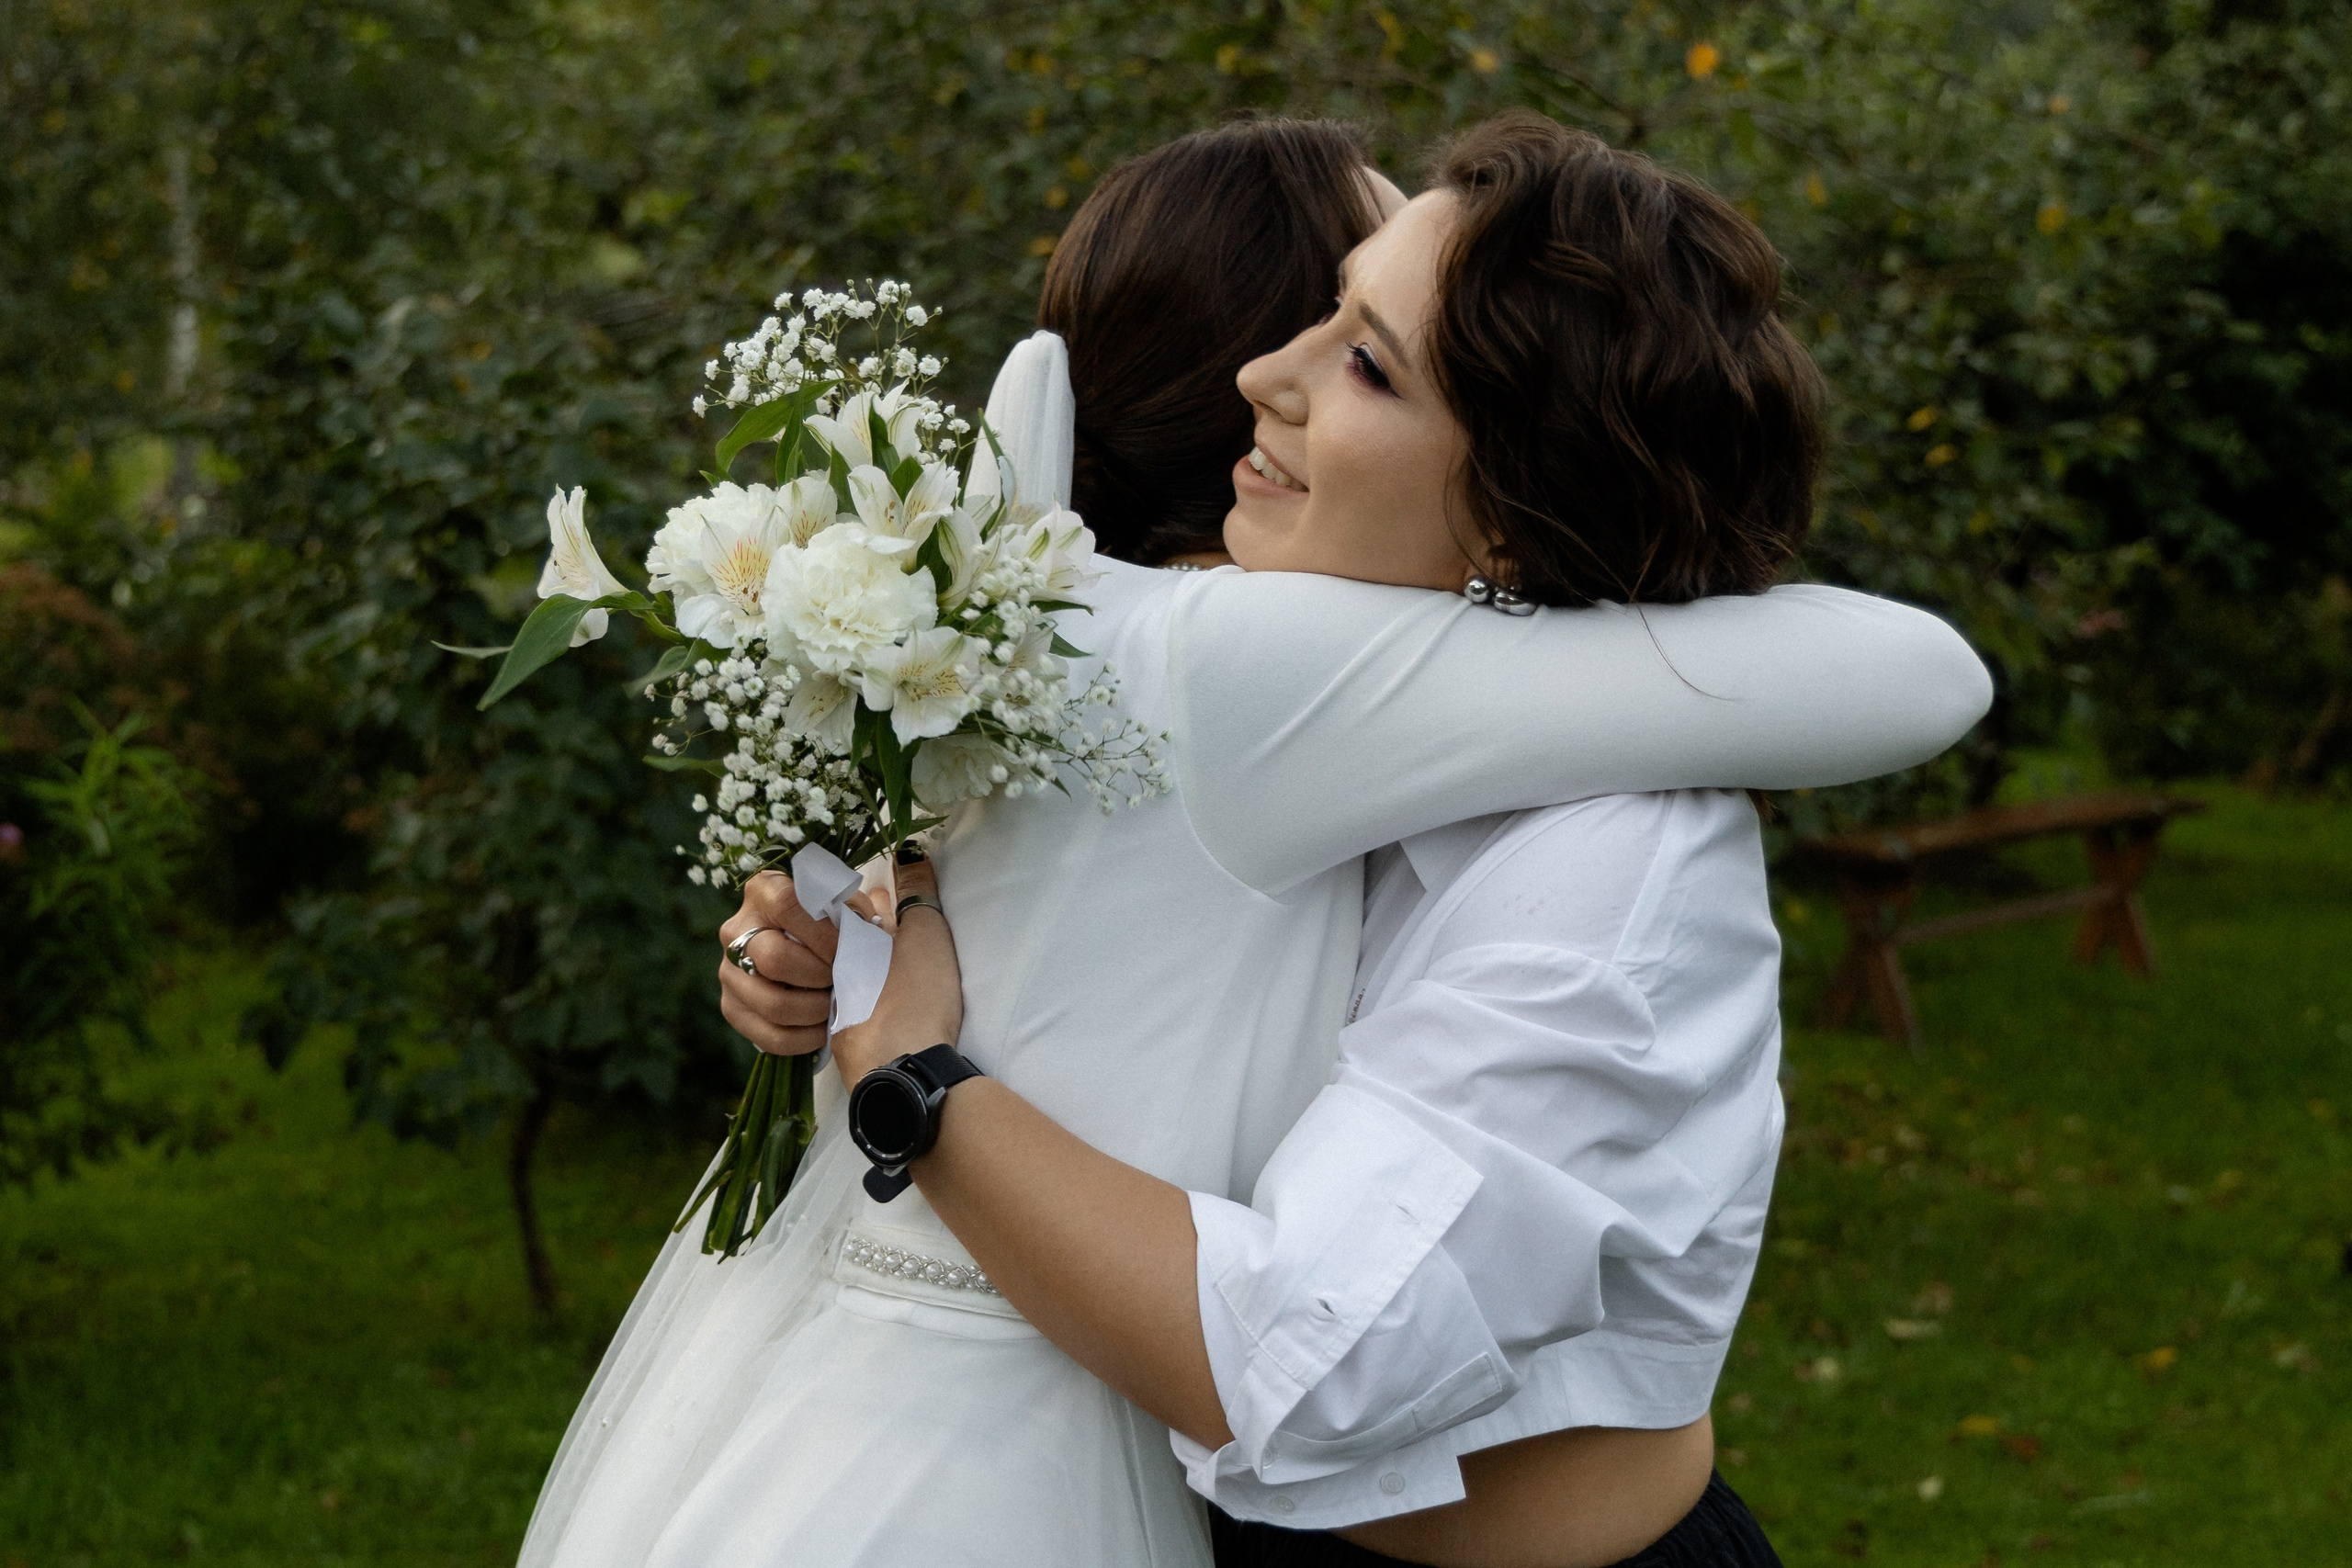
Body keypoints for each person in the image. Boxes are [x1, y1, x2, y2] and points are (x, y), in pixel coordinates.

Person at [520, 118, 1990, 1568]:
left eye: (1366, 357)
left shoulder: (1605, 839)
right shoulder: (1186, 684)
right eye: (1320, 311)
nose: (1265, 381)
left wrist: (909, 1075)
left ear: (1516, 499)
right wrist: (831, 936)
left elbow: (1304, 1363)